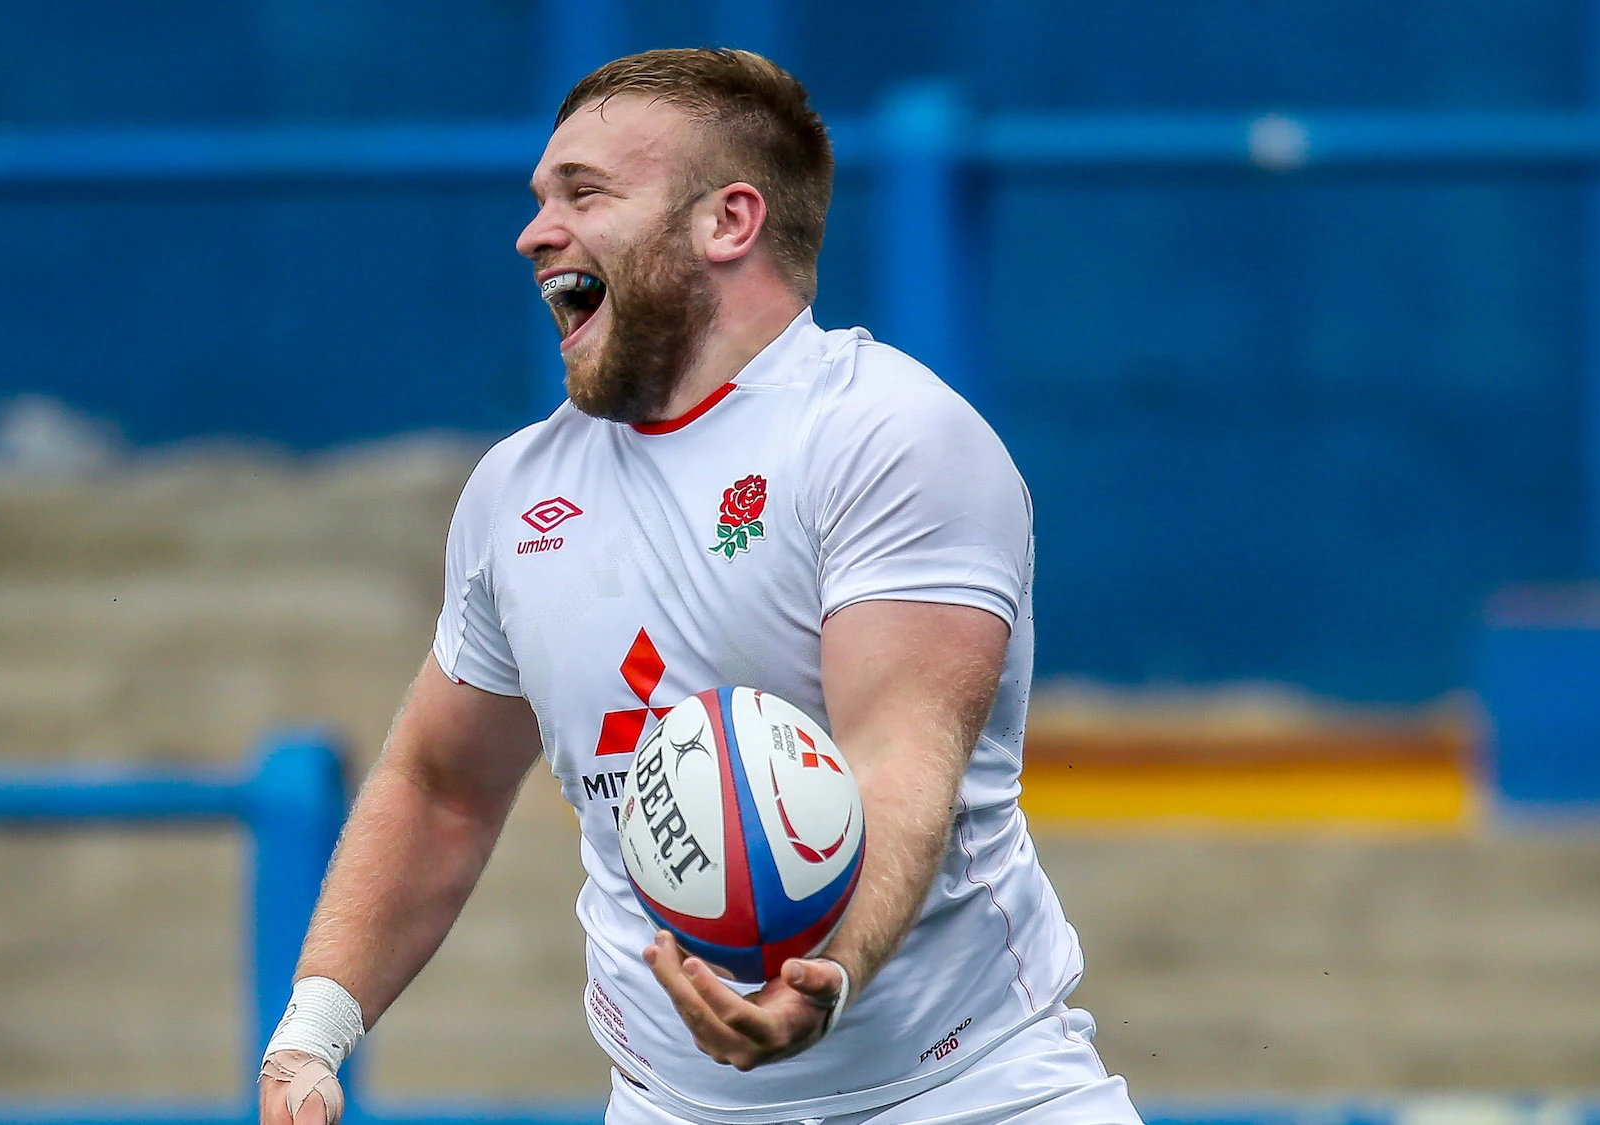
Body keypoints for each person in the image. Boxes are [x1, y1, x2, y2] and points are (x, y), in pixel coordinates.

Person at [257, 47, 1141, 1125]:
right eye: (538, 200)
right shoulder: (512, 493)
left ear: (727, 223)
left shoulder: (883, 437)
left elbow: (898, 764)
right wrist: (312, 1033)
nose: (534, 233)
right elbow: (443, 786)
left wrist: (825, 980)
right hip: (671, 1106)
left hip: (967, 1092)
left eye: (583, 193)